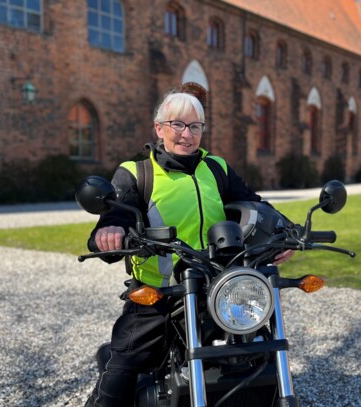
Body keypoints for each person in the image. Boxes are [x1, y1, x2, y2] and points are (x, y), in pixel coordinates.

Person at [85, 84, 293, 406]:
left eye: (195, 126)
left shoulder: (216, 168)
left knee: (259, 346)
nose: (187, 134)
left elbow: (255, 204)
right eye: (178, 125)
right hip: (161, 293)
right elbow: (115, 215)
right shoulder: (137, 174)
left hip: (218, 287)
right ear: (159, 128)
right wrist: (109, 232)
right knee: (125, 360)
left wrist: (286, 231)